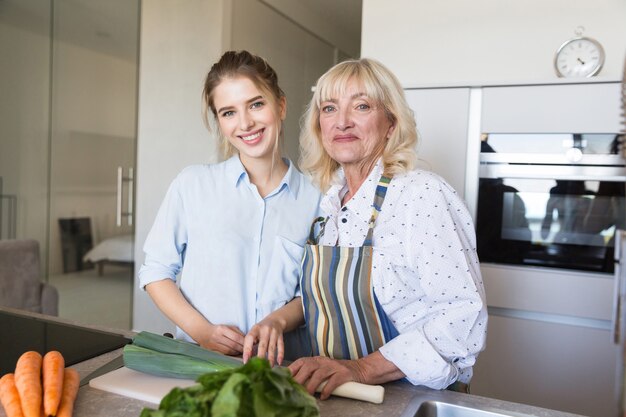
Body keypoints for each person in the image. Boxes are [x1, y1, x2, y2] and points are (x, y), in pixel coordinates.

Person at [245, 58, 487, 398]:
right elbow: (324, 294)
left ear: (391, 122)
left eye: (361, 106)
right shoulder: (330, 207)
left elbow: (463, 317)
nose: (342, 121)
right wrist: (277, 321)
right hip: (346, 395)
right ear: (319, 127)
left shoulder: (420, 194)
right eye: (329, 108)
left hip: (412, 396)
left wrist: (360, 368)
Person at [138, 50, 320, 365]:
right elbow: (155, 271)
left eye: (256, 104)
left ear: (281, 105)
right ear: (219, 121)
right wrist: (201, 331)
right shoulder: (192, 184)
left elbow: (317, 292)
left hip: (280, 371)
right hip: (199, 364)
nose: (245, 123)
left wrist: (277, 321)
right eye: (228, 112)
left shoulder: (317, 198)